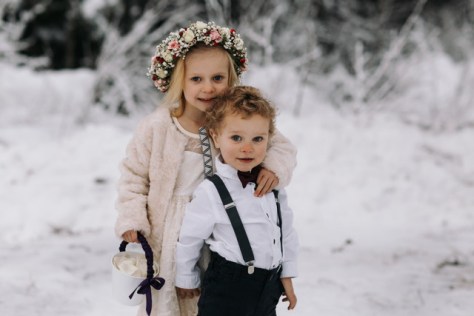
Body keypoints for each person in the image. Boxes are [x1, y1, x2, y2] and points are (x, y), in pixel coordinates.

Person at [114, 21, 297, 316]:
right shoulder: (157, 127)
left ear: (231, 79)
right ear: (179, 81)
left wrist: (273, 168)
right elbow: (134, 176)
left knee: (213, 300)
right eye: (196, 79)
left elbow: (280, 146)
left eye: (217, 78)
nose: (208, 87)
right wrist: (133, 218)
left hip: (223, 230)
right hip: (169, 230)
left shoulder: (235, 122)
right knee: (174, 298)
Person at [175, 86, 298, 316]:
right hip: (226, 292)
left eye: (258, 138)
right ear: (215, 137)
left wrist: (287, 275)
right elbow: (190, 238)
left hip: (267, 289)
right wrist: (185, 277)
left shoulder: (274, 188)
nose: (247, 148)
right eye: (236, 138)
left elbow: (286, 234)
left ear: (269, 139)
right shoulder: (212, 191)